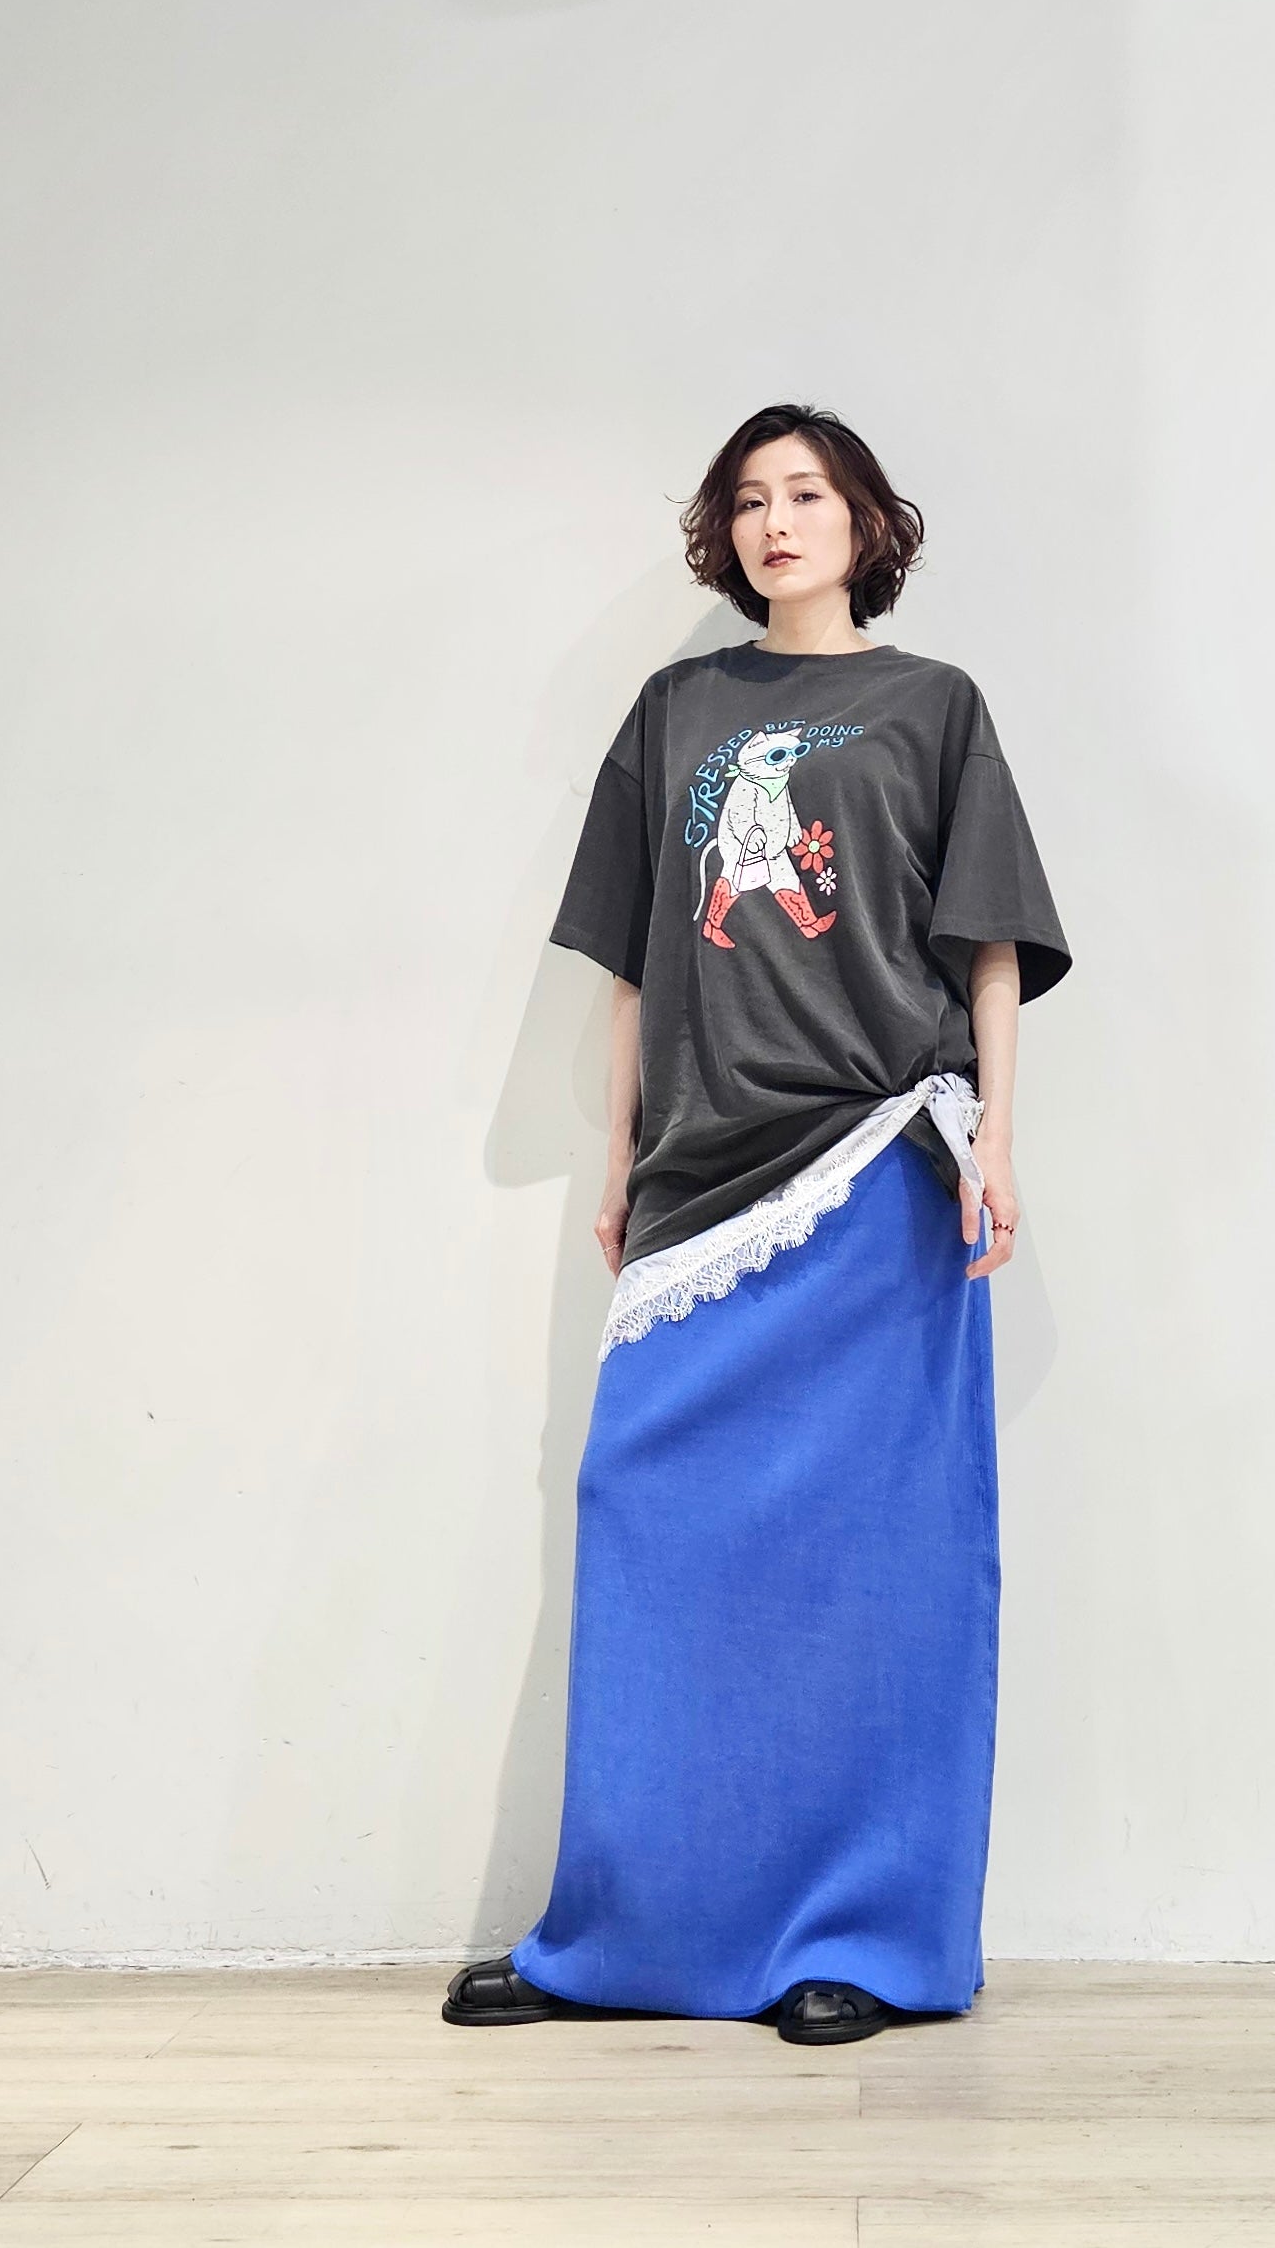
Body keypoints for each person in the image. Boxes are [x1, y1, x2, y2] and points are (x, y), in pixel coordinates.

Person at [444, 403, 1071, 2045]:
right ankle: (625, 1941)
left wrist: (1000, 1139)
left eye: (806, 493)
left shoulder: (935, 706)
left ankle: (865, 1939)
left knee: (877, 1561)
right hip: (704, 1173)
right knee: (647, 1518)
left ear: (867, 520)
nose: (775, 520)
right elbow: (637, 958)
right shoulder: (677, 713)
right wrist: (617, 1156)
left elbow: (989, 945)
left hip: (876, 1161)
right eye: (747, 500)